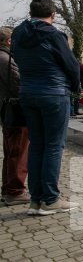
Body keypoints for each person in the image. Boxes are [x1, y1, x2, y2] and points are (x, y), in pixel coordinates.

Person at [12, 0, 80, 215]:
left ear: (31, 13)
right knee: (53, 146)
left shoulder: (19, 33)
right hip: (53, 93)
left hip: (28, 92)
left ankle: (36, 199)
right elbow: (71, 64)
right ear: (53, 14)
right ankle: (50, 199)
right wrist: (75, 86)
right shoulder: (53, 34)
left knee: (37, 145)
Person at [0, 26, 30, 206]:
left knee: (11, 150)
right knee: (18, 151)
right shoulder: (5, 59)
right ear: (8, 41)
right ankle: (15, 191)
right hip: (14, 110)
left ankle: (8, 188)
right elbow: (19, 84)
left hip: (7, 109)